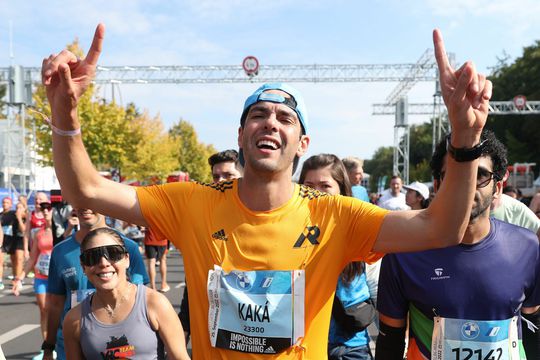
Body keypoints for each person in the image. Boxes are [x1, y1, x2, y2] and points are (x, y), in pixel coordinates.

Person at [43, 24, 492, 358]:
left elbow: (442, 228)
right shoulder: (192, 203)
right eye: (258, 115)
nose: (270, 123)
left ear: (303, 144)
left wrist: (464, 139)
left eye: (285, 118)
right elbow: (84, 188)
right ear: (241, 135)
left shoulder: (336, 215)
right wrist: (64, 114)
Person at [375, 130, 540, 359]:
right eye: (456, 174)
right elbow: (389, 343)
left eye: (480, 175)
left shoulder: (527, 247)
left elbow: (533, 329)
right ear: (437, 184)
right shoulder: (403, 252)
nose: (468, 184)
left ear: (498, 188)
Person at [62, 227, 190, 359]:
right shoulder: (74, 320)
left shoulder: (155, 303)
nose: (104, 263)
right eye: (92, 257)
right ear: (83, 267)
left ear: (127, 259)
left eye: (113, 254)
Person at [42, 208, 149, 360]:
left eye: (90, 202)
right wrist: (48, 346)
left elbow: (142, 298)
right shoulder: (60, 251)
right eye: (79, 202)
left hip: (117, 345)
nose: (85, 208)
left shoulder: (128, 247)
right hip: (71, 344)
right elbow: (55, 303)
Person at [299, 154, 375, 360]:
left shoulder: (357, 229)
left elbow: (375, 284)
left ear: (341, 189)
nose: (316, 192)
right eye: (309, 185)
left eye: (325, 185)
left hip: (351, 347)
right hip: (303, 345)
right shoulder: (289, 232)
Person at [179, 149, 244, 345]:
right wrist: (183, 331)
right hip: (210, 326)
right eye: (216, 176)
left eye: (228, 175)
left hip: (251, 325)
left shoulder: (261, 215)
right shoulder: (202, 217)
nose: (220, 181)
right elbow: (193, 283)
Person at [12, 201, 54, 360]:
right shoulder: (39, 234)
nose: (45, 212)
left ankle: (61, 342)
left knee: (57, 312)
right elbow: (33, 258)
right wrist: (19, 278)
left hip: (57, 279)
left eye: (48, 209)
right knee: (44, 311)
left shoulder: (63, 232)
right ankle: (48, 347)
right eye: (42, 210)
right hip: (41, 277)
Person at [1, 198, 26, 288]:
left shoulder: (25, 216)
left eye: (20, 208)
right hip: (14, 239)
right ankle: (16, 277)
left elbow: (24, 230)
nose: (18, 210)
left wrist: (20, 218)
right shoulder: (13, 215)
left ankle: (18, 279)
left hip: (23, 239)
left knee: (19, 259)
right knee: (14, 260)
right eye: (17, 208)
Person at [144, 227, 170, 292]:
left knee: (151, 262)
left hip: (150, 239)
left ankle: (153, 287)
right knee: (163, 260)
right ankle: (163, 285)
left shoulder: (148, 216)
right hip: (162, 240)